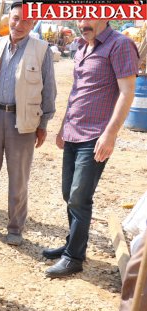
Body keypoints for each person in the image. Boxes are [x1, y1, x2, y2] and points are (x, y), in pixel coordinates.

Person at [44, 19, 139, 278]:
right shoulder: (82, 47)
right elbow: (77, 91)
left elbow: (127, 91)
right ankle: (72, 244)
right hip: (74, 132)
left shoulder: (120, 45)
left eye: (89, 16)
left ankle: (73, 257)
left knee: (79, 197)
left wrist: (110, 134)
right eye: (79, 16)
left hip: (96, 136)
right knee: (69, 193)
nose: (82, 22)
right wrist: (64, 126)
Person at [0, 1, 56, 246]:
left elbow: (49, 89)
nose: (19, 25)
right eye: (16, 18)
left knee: (18, 179)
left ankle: (15, 228)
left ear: (34, 23)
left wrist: (43, 124)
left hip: (23, 122)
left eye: (27, 21)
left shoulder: (42, 50)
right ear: (9, 17)